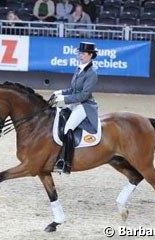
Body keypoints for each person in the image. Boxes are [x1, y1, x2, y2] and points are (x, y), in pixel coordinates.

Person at [53, 42, 98, 174]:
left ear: (90, 55)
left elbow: (84, 95)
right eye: (80, 53)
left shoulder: (92, 73)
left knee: (68, 128)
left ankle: (65, 162)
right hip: (74, 103)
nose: (81, 55)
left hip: (84, 105)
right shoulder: (79, 68)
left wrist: (64, 99)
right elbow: (73, 89)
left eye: (83, 54)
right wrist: (60, 92)